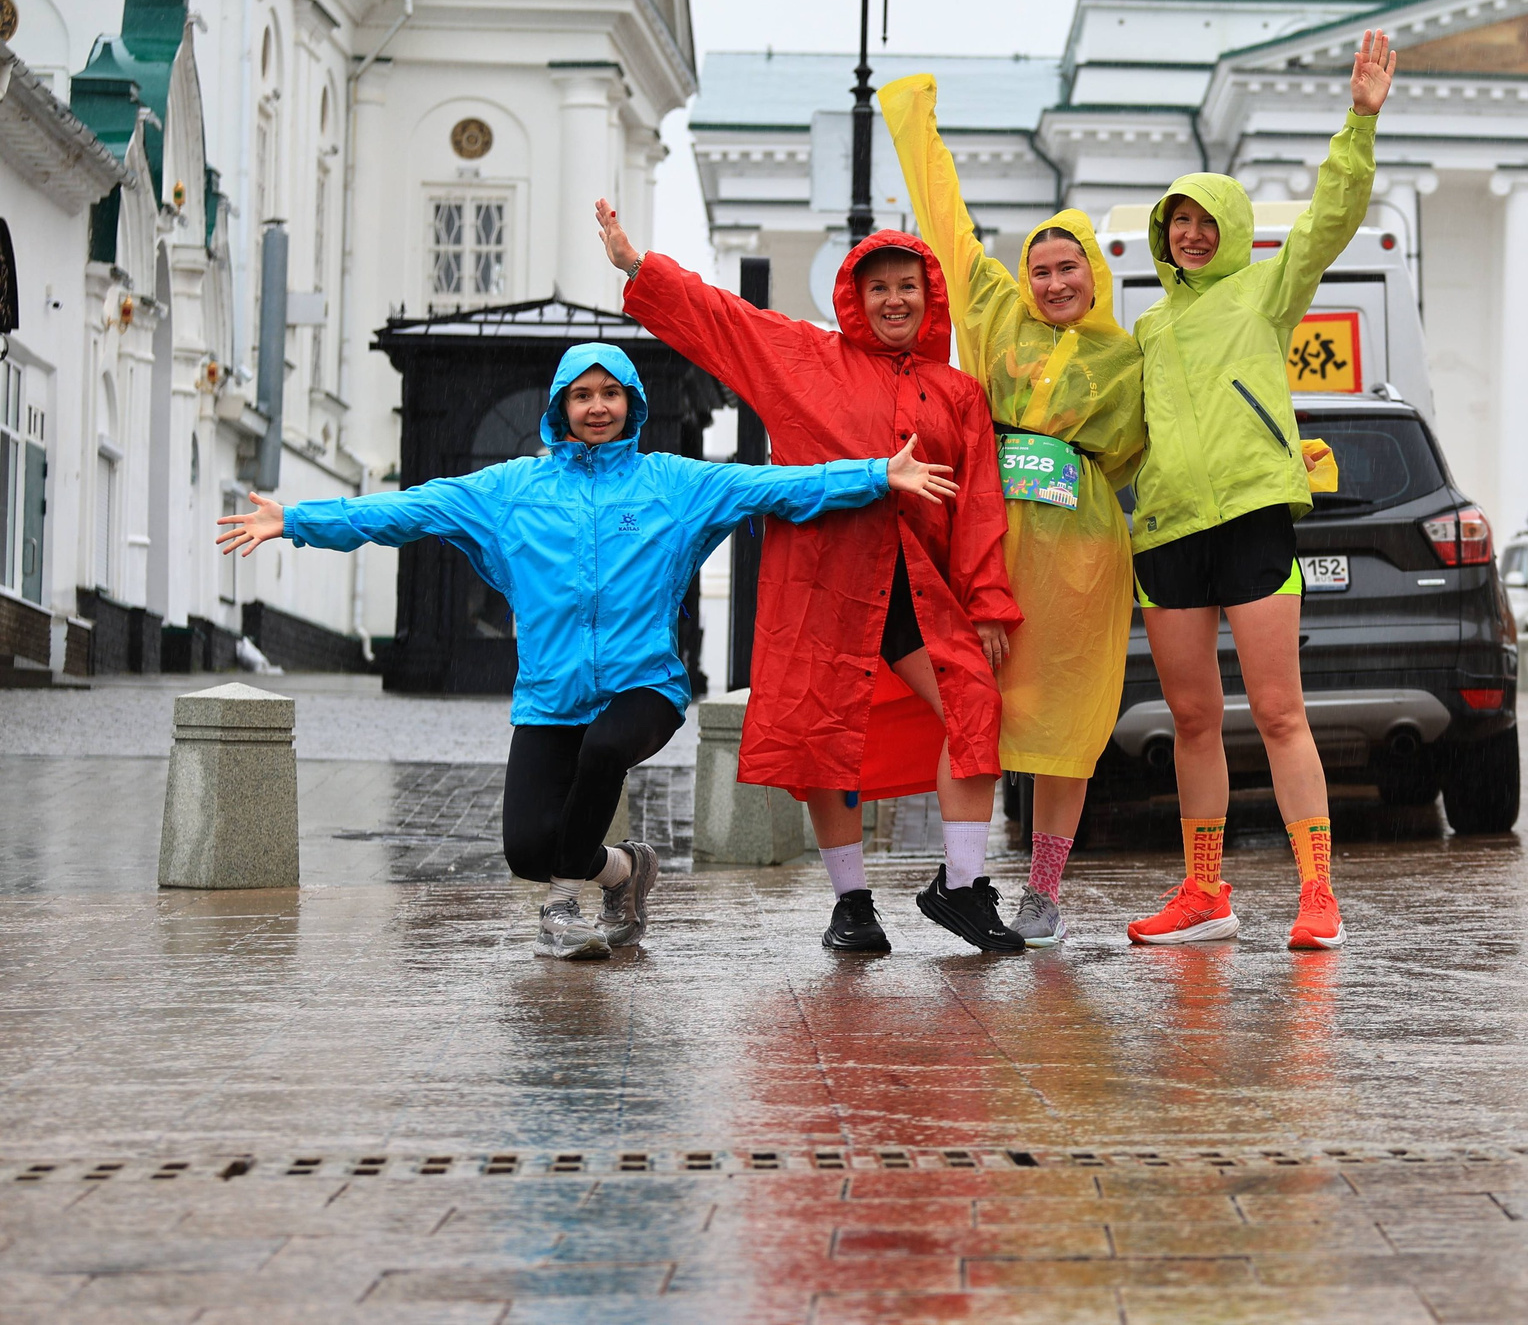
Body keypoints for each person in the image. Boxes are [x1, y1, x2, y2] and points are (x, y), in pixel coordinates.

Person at [216, 343, 953, 960]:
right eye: (581, 395)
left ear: (633, 402)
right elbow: (405, 509)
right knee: (526, 848)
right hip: (549, 696)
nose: (597, 406)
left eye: (611, 393)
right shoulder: (511, 488)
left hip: (647, 688)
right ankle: (626, 870)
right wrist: (298, 520)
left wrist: (877, 473)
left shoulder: (674, 482)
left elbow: (774, 486)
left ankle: (561, 912)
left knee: (603, 754)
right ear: (560, 408)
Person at [595, 206, 1029, 956]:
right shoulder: (803, 356)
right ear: (852, 298)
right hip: (825, 588)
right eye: (879, 288)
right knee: (828, 734)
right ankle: (851, 904)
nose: (894, 300)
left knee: (974, 705)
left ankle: (959, 886)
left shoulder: (959, 393)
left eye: (908, 285)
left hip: (919, 589)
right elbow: (722, 319)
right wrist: (641, 267)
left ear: (931, 296)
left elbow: (981, 501)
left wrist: (988, 599)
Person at [1126, 27, 1398, 953]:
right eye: (1178, 224)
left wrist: (1357, 121)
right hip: (1166, 534)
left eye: (1205, 221)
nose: (1191, 235)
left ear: (1230, 230)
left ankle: (1317, 891)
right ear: (1164, 237)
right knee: (1193, 718)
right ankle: (1205, 890)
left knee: (1280, 711)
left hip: (1251, 520)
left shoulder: (1265, 292)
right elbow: (1120, 432)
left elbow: (1331, 215)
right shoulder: (1152, 328)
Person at [885, 72, 1145, 949]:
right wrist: (917, 117)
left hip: (1084, 567)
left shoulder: (1129, 358)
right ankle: (964, 881)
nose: (1053, 280)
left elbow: (1177, 435)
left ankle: (1043, 890)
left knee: (1069, 730)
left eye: (1068, 266)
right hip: (991, 550)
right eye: (1040, 268)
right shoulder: (996, 318)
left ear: (1095, 274)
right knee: (977, 710)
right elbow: (949, 227)